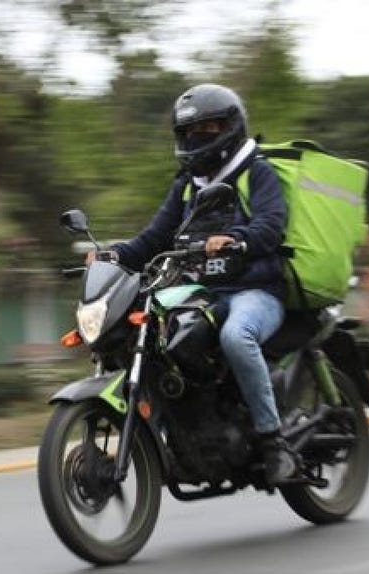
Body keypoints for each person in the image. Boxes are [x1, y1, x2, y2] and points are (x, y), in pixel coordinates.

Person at [89, 83, 296, 485]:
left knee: (237, 337)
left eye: (206, 128)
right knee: (157, 341)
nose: (195, 138)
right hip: (202, 294)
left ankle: (274, 441)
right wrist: (112, 255)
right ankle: (187, 435)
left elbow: (271, 225)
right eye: (187, 132)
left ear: (230, 128)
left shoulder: (256, 171)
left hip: (255, 292)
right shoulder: (187, 185)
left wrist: (236, 239)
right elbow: (154, 238)